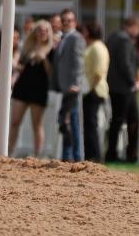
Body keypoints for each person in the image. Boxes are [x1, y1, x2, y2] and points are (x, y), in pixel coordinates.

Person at [9, 20, 53, 157]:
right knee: (15, 121)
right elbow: (21, 66)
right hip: (22, 87)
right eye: (39, 30)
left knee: (37, 124)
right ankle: (9, 152)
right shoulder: (28, 47)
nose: (42, 33)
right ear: (35, 32)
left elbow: (51, 73)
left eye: (46, 30)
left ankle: (37, 155)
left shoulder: (52, 50)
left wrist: (44, 59)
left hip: (39, 89)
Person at [105, 15, 139, 163]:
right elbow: (125, 64)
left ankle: (112, 153)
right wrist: (133, 82)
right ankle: (129, 155)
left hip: (114, 86)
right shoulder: (125, 40)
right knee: (132, 120)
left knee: (117, 121)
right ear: (132, 26)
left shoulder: (113, 37)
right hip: (125, 88)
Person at [55, 9, 84, 162]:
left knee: (72, 122)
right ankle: (68, 156)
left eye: (69, 20)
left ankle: (75, 156)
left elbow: (79, 62)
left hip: (72, 87)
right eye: (64, 20)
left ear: (75, 22)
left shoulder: (76, 38)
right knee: (66, 122)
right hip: (65, 86)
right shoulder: (63, 38)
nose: (66, 23)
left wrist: (77, 83)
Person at [81, 22, 109, 162]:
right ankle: (91, 154)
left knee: (91, 125)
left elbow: (98, 71)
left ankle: (95, 156)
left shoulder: (97, 47)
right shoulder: (95, 46)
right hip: (93, 89)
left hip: (94, 90)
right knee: (89, 124)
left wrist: (90, 88)